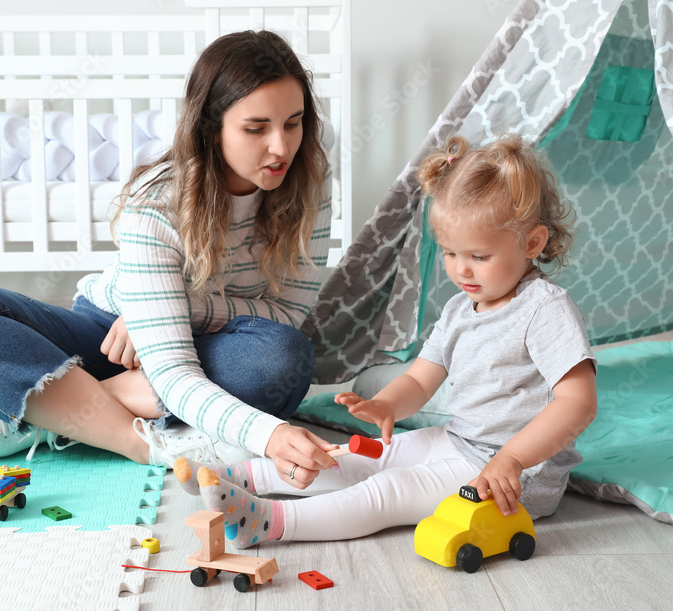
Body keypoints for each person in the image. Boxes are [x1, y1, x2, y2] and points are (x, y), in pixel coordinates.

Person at [0, 30, 341, 476]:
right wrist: (267, 435)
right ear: (211, 129)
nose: (281, 147)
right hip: (106, 337)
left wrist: (171, 309)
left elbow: (287, 314)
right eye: (256, 128)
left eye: (293, 122)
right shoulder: (157, 202)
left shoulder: (311, 186)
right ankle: (138, 443)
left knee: (282, 359)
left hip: (209, 345)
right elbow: (173, 375)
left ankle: (53, 412)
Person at [173, 133, 598, 547]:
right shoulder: (459, 310)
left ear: (533, 242)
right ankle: (237, 478)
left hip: (512, 476)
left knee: (387, 491)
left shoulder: (546, 309)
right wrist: (387, 404)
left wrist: (514, 458)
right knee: (363, 455)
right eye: (450, 253)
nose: (461, 271)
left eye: (479, 257)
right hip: (457, 440)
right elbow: (419, 381)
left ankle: (268, 522)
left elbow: (578, 403)